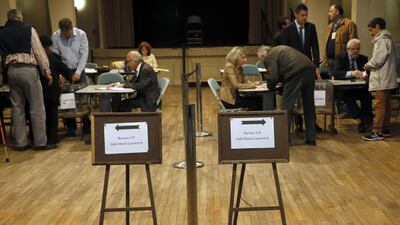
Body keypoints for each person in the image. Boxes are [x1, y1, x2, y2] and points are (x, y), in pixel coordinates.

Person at [0, 9, 55, 150]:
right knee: (36, 107)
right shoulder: (28, 29)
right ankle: (40, 143)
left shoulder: (2, 31)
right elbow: (39, 52)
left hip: (11, 70)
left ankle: (21, 143)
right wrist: (47, 72)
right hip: (28, 70)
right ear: (19, 17)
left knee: (17, 108)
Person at [258, 45, 316, 145]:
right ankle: (311, 138)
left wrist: (269, 87)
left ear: (263, 55)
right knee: (309, 106)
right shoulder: (280, 50)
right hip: (310, 69)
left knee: (286, 107)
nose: (263, 62)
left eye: (261, 60)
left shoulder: (269, 56)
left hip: (295, 73)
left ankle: (284, 139)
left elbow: (274, 77)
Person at [280, 3, 322, 132]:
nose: (305, 18)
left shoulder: (311, 27)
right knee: (295, 97)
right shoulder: (288, 29)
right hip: (294, 69)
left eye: (306, 15)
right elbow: (284, 49)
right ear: (296, 15)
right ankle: (298, 124)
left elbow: (315, 47)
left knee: (309, 98)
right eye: (302, 15)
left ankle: (312, 125)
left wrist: (316, 66)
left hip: (308, 68)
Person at [51, 18, 90, 136]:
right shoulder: (55, 36)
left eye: (68, 32)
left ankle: (86, 125)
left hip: (79, 69)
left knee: (82, 99)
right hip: (64, 70)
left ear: (71, 28)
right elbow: (56, 56)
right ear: (61, 30)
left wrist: (78, 72)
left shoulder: (81, 34)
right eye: (64, 32)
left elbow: (84, 54)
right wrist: (61, 73)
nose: (66, 34)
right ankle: (71, 127)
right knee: (66, 99)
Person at [362, 18, 398, 141]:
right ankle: (385, 129)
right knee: (386, 105)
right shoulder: (389, 39)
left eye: (371, 30)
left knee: (379, 105)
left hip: (381, 78)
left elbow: (378, 60)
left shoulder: (382, 40)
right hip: (387, 77)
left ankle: (377, 131)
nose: (370, 33)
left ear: (377, 27)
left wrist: (366, 65)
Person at [333, 38, 373, 133]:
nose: (356, 51)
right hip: (345, 89)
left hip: (359, 88)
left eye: (358, 49)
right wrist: (352, 73)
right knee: (347, 97)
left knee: (367, 96)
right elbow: (336, 73)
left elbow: (366, 72)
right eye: (353, 49)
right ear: (348, 49)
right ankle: (361, 118)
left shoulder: (363, 58)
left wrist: (365, 75)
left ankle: (365, 120)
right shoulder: (340, 57)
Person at [39, 35, 71, 145]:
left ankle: (39, 138)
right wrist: (70, 76)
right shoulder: (53, 56)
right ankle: (52, 139)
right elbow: (64, 69)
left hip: (39, 91)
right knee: (52, 115)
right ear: (50, 45)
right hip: (52, 91)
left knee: (39, 116)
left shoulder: (34, 57)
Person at [322, 4, 358, 76]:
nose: (328, 14)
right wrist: (325, 60)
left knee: (341, 84)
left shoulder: (349, 24)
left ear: (337, 12)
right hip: (330, 61)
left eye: (330, 11)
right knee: (331, 84)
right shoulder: (329, 27)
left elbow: (353, 43)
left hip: (342, 62)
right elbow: (326, 44)